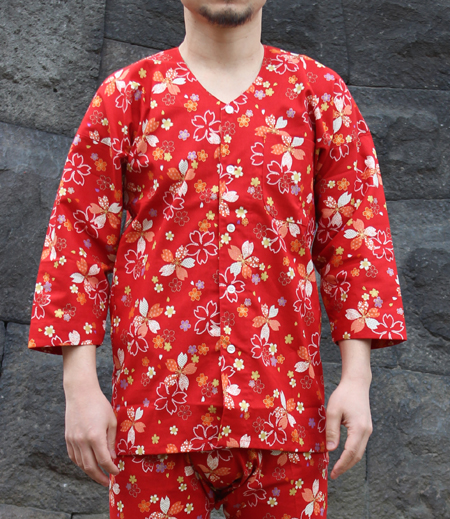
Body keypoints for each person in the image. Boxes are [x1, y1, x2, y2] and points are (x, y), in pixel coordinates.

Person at [28, 1, 407, 517]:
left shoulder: (318, 94)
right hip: (153, 415)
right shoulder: (127, 95)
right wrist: (79, 388)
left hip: (285, 412)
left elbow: (355, 238)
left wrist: (357, 380)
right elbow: (78, 239)